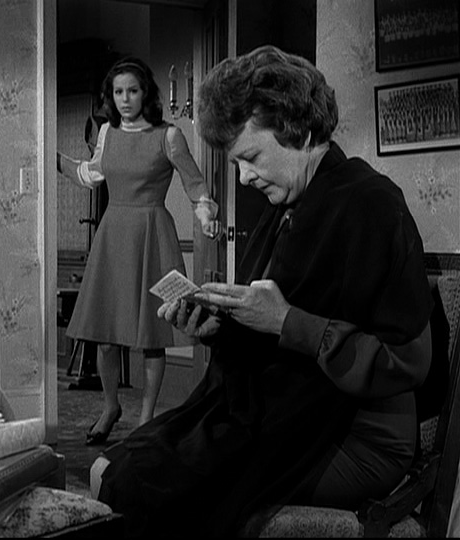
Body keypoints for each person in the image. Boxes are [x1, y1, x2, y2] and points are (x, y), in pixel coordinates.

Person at [89, 45, 440, 538]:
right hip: (286, 411)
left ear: (302, 131)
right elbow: (273, 341)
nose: (244, 177)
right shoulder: (286, 208)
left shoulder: (372, 205)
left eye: (250, 157)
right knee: (112, 465)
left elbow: (407, 363)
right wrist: (216, 328)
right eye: (236, 163)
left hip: (354, 435)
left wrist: (285, 320)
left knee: (144, 485)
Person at [57, 56, 219, 446]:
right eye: (118, 92)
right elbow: (90, 175)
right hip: (113, 234)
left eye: (132, 90)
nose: (125, 98)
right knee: (105, 332)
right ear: (111, 96)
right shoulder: (107, 134)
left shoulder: (169, 136)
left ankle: (146, 417)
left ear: (146, 93)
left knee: (152, 334)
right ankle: (110, 407)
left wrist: (204, 213)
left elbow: (194, 183)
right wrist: (51, 159)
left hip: (153, 233)